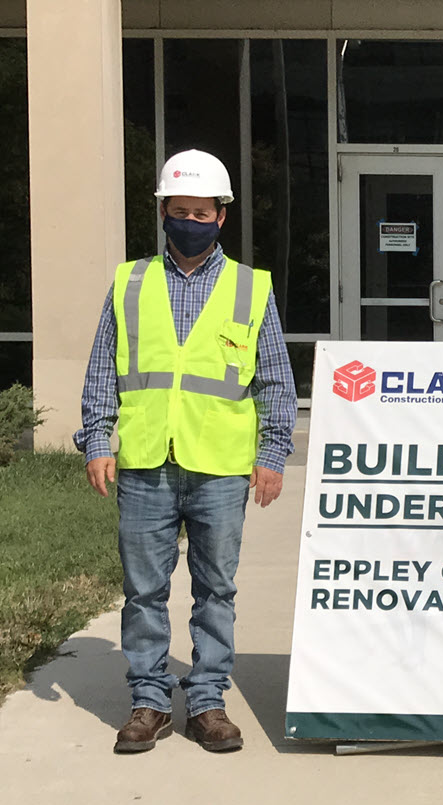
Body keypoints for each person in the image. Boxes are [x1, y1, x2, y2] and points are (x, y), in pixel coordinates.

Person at [75, 149, 297, 753]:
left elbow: (276, 379)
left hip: (220, 468)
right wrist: (98, 439)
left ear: (222, 216)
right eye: (180, 211)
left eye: (202, 211)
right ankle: (149, 702)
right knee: (144, 590)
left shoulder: (250, 289)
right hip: (145, 463)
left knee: (215, 589)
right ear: (164, 213)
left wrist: (272, 454)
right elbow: (102, 370)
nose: (191, 220)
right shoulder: (130, 281)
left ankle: (206, 702)